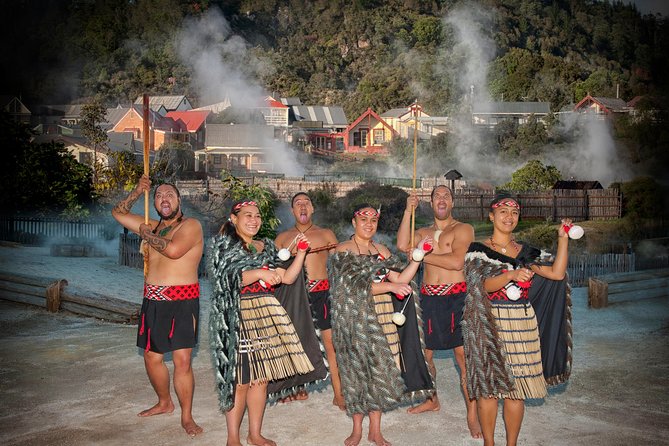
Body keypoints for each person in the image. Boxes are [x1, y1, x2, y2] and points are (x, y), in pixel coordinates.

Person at [462, 193, 573, 446]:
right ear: (491, 216)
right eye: (503, 211)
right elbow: (482, 285)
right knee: (489, 390)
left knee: (517, 391)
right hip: (489, 324)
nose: (509, 217)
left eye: (514, 213)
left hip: (522, 325)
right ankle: (489, 444)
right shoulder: (477, 250)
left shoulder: (526, 251)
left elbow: (557, 273)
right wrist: (510, 276)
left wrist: (563, 239)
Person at [209, 199, 316, 446]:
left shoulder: (266, 246)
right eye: (247, 215)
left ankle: (254, 433)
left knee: (260, 378)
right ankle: (233, 438)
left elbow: (287, 278)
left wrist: (300, 254)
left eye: (257, 216)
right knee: (241, 379)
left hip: (266, 315)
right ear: (233, 218)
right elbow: (224, 278)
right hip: (237, 316)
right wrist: (259, 273)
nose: (253, 220)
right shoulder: (222, 245)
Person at [330, 204, 434, 446]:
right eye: (363, 219)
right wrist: (389, 287)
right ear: (353, 222)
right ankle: (357, 428)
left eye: (373, 220)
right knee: (356, 371)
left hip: (383, 315)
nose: (369, 224)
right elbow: (349, 288)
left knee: (379, 370)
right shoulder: (343, 250)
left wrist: (418, 256)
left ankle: (375, 430)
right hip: (354, 318)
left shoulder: (383, 251)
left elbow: (400, 278)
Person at [111, 175, 203, 437]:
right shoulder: (151, 225)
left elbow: (173, 251)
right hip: (153, 300)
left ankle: (187, 416)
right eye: (159, 195)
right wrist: (137, 191)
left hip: (183, 301)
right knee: (152, 358)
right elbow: (117, 212)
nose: (164, 198)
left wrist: (146, 234)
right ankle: (165, 402)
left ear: (179, 201)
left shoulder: (191, 226)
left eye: (169, 195)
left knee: (182, 361)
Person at [396, 185, 480, 438]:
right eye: (436, 197)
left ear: (452, 202)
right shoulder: (422, 232)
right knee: (426, 356)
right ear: (431, 203)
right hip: (429, 299)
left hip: (457, 297)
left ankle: (472, 414)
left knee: (463, 357)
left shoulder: (463, 229)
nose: (441, 199)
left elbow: (457, 261)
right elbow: (402, 244)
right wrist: (408, 212)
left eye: (446, 196)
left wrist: (421, 255)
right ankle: (432, 399)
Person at [274, 192, 344, 408]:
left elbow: (339, 265)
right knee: (294, 343)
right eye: (298, 203)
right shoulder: (283, 239)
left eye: (307, 203)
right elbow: (278, 272)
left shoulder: (326, 234)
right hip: (296, 296)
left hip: (323, 293)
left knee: (331, 343)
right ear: (292, 211)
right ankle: (296, 387)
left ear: (313, 209)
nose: (303, 206)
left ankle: (339, 392)